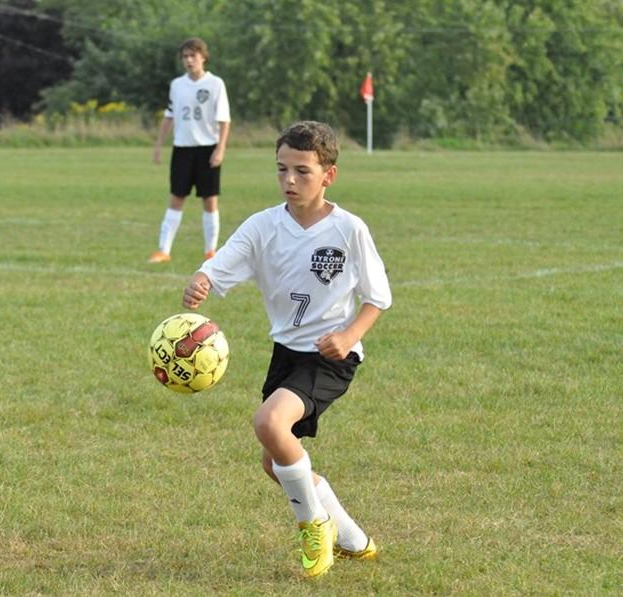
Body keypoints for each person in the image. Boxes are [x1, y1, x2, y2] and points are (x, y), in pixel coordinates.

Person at [181, 121, 392, 579]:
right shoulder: (263, 226)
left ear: (328, 175)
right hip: (287, 354)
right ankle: (355, 538)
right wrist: (201, 280)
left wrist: (350, 335)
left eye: (302, 171)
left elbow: (379, 297)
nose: (290, 181)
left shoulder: (349, 229)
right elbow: (223, 265)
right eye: (282, 170)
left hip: (332, 356)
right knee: (275, 461)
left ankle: (313, 525)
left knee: (269, 423)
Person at [148, 37, 231, 263]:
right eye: (185, 56)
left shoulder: (216, 84)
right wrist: (158, 144)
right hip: (182, 149)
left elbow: (224, 120)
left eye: (193, 55)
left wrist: (220, 149)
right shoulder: (177, 85)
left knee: (209, 200)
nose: (189, 60)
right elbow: (169, 116)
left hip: (207, 149)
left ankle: (210, 251)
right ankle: (164, 250)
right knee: (176, 197)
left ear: (203, 57)